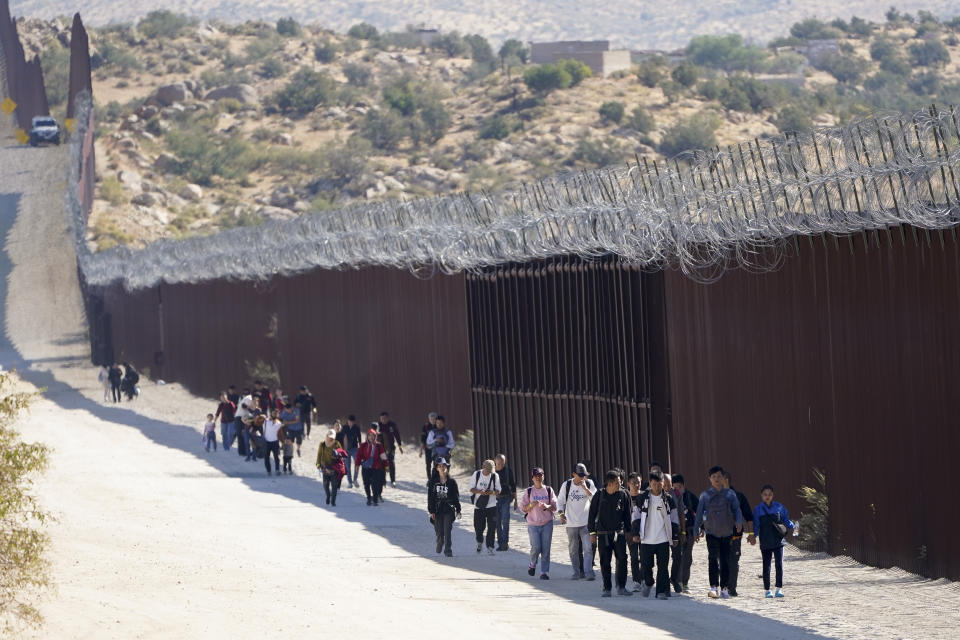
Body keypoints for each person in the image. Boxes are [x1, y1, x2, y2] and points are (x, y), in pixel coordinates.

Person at [695, 465, 743, 599]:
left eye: (719, 476)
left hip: (727, 533)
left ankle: (725, 588)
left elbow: (737, 510)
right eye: (714, 477)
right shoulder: (705, 495)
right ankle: (713, 587)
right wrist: (695, 530)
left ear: (723, 478)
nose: (717, 479)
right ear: (710, 479)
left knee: (725, 561)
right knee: (712, 560)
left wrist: (739, 521)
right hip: (711, 533)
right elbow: (699, 514)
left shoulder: (730, 494)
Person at [631, 471, 679, 600]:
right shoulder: (643, 498)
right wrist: (635, 533)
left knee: (663, 567)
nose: (657, 487)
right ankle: (648, 582)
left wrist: (674, 537)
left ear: (663, 484)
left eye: (659, 484)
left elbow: (674, 519)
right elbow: (635, 516)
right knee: (646, 566)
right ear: (650, 484)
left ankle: (661, 591)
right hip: (646, 539)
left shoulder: (668, 499)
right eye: (654, 484)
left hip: (663, 538)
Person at [588, 470, 633, 597]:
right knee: (605, 561)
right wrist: (592, 533)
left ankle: (621, 587)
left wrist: (629, 533)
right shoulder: (599, 495)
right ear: (610, 483)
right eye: (618, 482)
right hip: (603, 534)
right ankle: (607, 588)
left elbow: (628, 516)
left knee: (622, 559)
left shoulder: (624, 494)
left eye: (621, 481)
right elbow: (591, 516)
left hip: (619, 533)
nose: (621, 484)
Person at [748, 484, 795, 598]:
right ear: (761, 496)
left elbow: (786, 521)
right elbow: (756, 526)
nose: (767, 496)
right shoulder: (758, 510)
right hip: (765, 541)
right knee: (766, 566)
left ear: (773, 495)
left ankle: (779, 589)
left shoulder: (780, 507)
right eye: (765, 494)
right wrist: (753, 536)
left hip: (779, 541)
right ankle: (767, 590)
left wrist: (794, 526)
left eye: (769, 494)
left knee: (779, 565)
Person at [557, 463, 597, 580]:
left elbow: (595, 499)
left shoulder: (589, 483)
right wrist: (561, 514)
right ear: (573, 474)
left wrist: (585, 488)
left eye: (584, 475)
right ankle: (577, 572)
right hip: (571, 523)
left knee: (588, 548)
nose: (582, 478)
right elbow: (560, 501)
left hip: (586, 522)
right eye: (580, 475)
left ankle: (588, 572)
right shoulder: (567, 485)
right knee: (573, 549)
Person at [519, 467, 556, 579]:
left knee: (545, 548)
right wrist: (532, 504)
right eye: (536, 476)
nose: (538, 478)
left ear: (543, 477)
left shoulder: (549, 490)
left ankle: (544, 572)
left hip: (547, 523)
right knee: (536, 547)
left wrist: (547, 506)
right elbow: (522, 508)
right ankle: (533, 563)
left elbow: (555, 506)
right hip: (533, 524)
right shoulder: (529, 491)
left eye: (540, 475)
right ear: (532, 478)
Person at [723, 470, 753, 597]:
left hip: (735, 535)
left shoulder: (739, 496)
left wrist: (751, 533)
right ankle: (724, 586)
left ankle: (732, 587)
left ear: (726, 479)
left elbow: (749, 516)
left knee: (734, 561)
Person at [670, 473, 698, 593]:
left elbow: (700, 514)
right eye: (675, 488)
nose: (678, 490)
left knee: (687, 558)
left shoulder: (691, 497)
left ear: (684, 485)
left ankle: (685, 583)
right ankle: (677, 581)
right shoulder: (670, 497)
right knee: (677, 557)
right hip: (676, 532)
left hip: (690, 531)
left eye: (680, 487)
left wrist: (699, 529)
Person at [428, 457, 461, 557]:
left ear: (447, 468)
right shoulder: (433, 482)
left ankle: (448, 550)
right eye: (440, 466)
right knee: (440, 532)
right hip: (437, 510)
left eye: (444, 466)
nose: (442, 468)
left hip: (449, 509)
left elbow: (456, 497)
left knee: (447, 530)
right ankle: (440, 542)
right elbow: (430, 498)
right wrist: (431, 511)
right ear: (437, 468)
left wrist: (458, 510)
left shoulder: (452, 482)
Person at [469, 459, 500, 555]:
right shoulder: (477, 474)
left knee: (492, 527)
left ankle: (490, 547)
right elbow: (471, 489)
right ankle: (479, 541)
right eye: (487, 470)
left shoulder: (495, 476)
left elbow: (498, 491)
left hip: (492, 506)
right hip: (479, 506)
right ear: (483, 467)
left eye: (491, 470)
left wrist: (491, 492)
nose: (489, 472)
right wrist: (480, 491)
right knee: (478, 527)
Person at [356, 428, 388, 505]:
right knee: (366, 483)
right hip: (366, 468)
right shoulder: (363, 445)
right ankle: (368, 498)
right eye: (369, 435)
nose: (371, 437)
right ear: (367, 436)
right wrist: (357, 465)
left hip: (376, 467)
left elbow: (383, 456)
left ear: (375, 436)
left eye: (373, 435)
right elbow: (359, 456)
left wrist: (386, 466)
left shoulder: (378, 445)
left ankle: (375, 499)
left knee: (375, 484)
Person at [494, 454, 517, 551]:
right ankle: (500, 543)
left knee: (505, 521)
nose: (500, 465)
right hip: (494, 500)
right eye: (499, 463)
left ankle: (505, 543)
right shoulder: (492, 472)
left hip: (506, 498)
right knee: (497, 522)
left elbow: (513, 485)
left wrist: (516, 501)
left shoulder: (508, 471)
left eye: (502, 463)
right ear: (495, 461)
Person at [317, 430, 347, 505]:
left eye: (332, 437)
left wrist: (339, 456)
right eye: (330, 437)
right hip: (325, 466)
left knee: (334, 485)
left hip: (335, 467)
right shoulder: (322, 444)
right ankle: (328, 495)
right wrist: (318, 464)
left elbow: (341, 453)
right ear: (327, 436)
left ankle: (333, 501)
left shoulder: (337, 443)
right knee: (325, 484)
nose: (331, 439)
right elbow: (319, 454)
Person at [626, 472, 644, 591]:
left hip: (644, 531)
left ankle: (644, 579)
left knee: (644, 557)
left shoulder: (645, 497)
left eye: (638, 482)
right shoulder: (625, 497)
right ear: (628, 484)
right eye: (633, 483)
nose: (636, 485)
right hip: (629, 532)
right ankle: (636, 581)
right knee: (633, 557)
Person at [377, 412, 403, 487]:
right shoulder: (378, 425)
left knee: (391, 462)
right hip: (381, 449)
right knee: (382, 464)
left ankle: (393, 481)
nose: (383, 420)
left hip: (391, 447)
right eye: (381, 418)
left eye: (385, 418)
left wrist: (400, 446)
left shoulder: (392, 425)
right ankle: (383, 481)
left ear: (388, 418)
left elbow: (397, 435)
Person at [262, 408, 284, 476]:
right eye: (274, 413)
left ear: (278, 415)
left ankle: (277, 470)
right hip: (266, 441)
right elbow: (257, 421)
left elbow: (280, 434)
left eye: (276, 413)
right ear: (271, 413)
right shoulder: (265, 421)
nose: (275, 414)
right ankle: (268, 470)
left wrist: (283, 442)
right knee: (266, 457)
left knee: (276, 457)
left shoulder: (279, 423)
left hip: (275, 442)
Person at [343, 415, 362, 488]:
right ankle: (349, 482)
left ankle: (355, 479)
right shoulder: (344, 428)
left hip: (354, 448)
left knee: (357, 463)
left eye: (352, 422)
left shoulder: (356, 428)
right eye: (349, 421)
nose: (351, 423)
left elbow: (359, 437)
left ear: (354, 422)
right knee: (347, 466)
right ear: (347, 421)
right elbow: (342, 438)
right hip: (346, 449)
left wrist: (361, 447)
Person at [235, 392, 254, 460]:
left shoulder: (249, 398)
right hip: (241, 417)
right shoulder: (249, 398)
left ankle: (244, 451)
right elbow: (243, 406)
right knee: (241, 435)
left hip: (244, 416)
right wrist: (251, 409)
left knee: (244, 435)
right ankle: (243, 452)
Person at [420, 412, 438, 481]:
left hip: (437, 449)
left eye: (434, 419)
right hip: (428, 449)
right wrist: (421, 450)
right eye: (431, 419)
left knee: (436, 464)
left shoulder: (438, 426)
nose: (432, 420)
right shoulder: (426, 426)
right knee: (428, 464)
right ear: (429, 419)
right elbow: (422, 439)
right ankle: (430, 479)